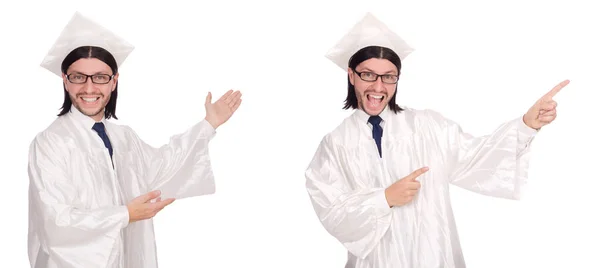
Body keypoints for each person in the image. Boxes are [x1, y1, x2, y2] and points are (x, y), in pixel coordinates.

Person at [304, 12, 568, 268]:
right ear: (351, 75)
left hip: (433, 258)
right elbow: (332, 213)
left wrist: (526, 125)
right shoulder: (334, 145)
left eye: (388, 76)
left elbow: (478, 159)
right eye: (368, 74)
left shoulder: (428, 126)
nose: (378, 86)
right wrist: (384, 198)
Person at [27, 12, 242, 268]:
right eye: (78, 77)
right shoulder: (51, 143)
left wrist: (209, 125)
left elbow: (164, 166)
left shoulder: (124, 137)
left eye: (100, 77)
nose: (89, 87)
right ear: (65, 79)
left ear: (114, 81)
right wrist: (125, 214)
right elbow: (55, 223)